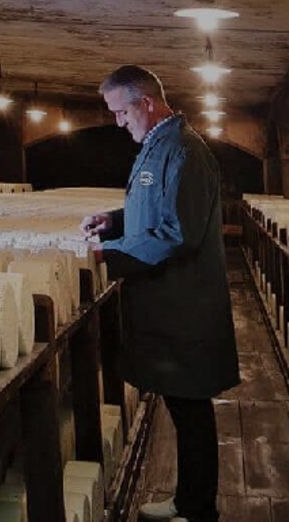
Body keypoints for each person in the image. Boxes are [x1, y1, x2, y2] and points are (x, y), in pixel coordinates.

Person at [80, 65, 240, 522]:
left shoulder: (184, 150)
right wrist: (115, 220)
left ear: (146, 103)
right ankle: (189, 499)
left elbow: (177, 231)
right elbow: (155, 210)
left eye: (121, 111)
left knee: (191, 410)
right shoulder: (161, 144)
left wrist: (109, 255)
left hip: (184, 306)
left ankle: (196, 508)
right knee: (184, 406)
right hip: (170, 303)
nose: (118, 121)